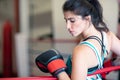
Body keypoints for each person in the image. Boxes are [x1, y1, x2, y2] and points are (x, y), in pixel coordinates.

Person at [56, 0, 120, 80]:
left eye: (72, 21)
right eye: (66, 21)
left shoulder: (81, 51)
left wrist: (59, 71)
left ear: (87, 19)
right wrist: (111, 63)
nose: (68, 26)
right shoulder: (108, 35)